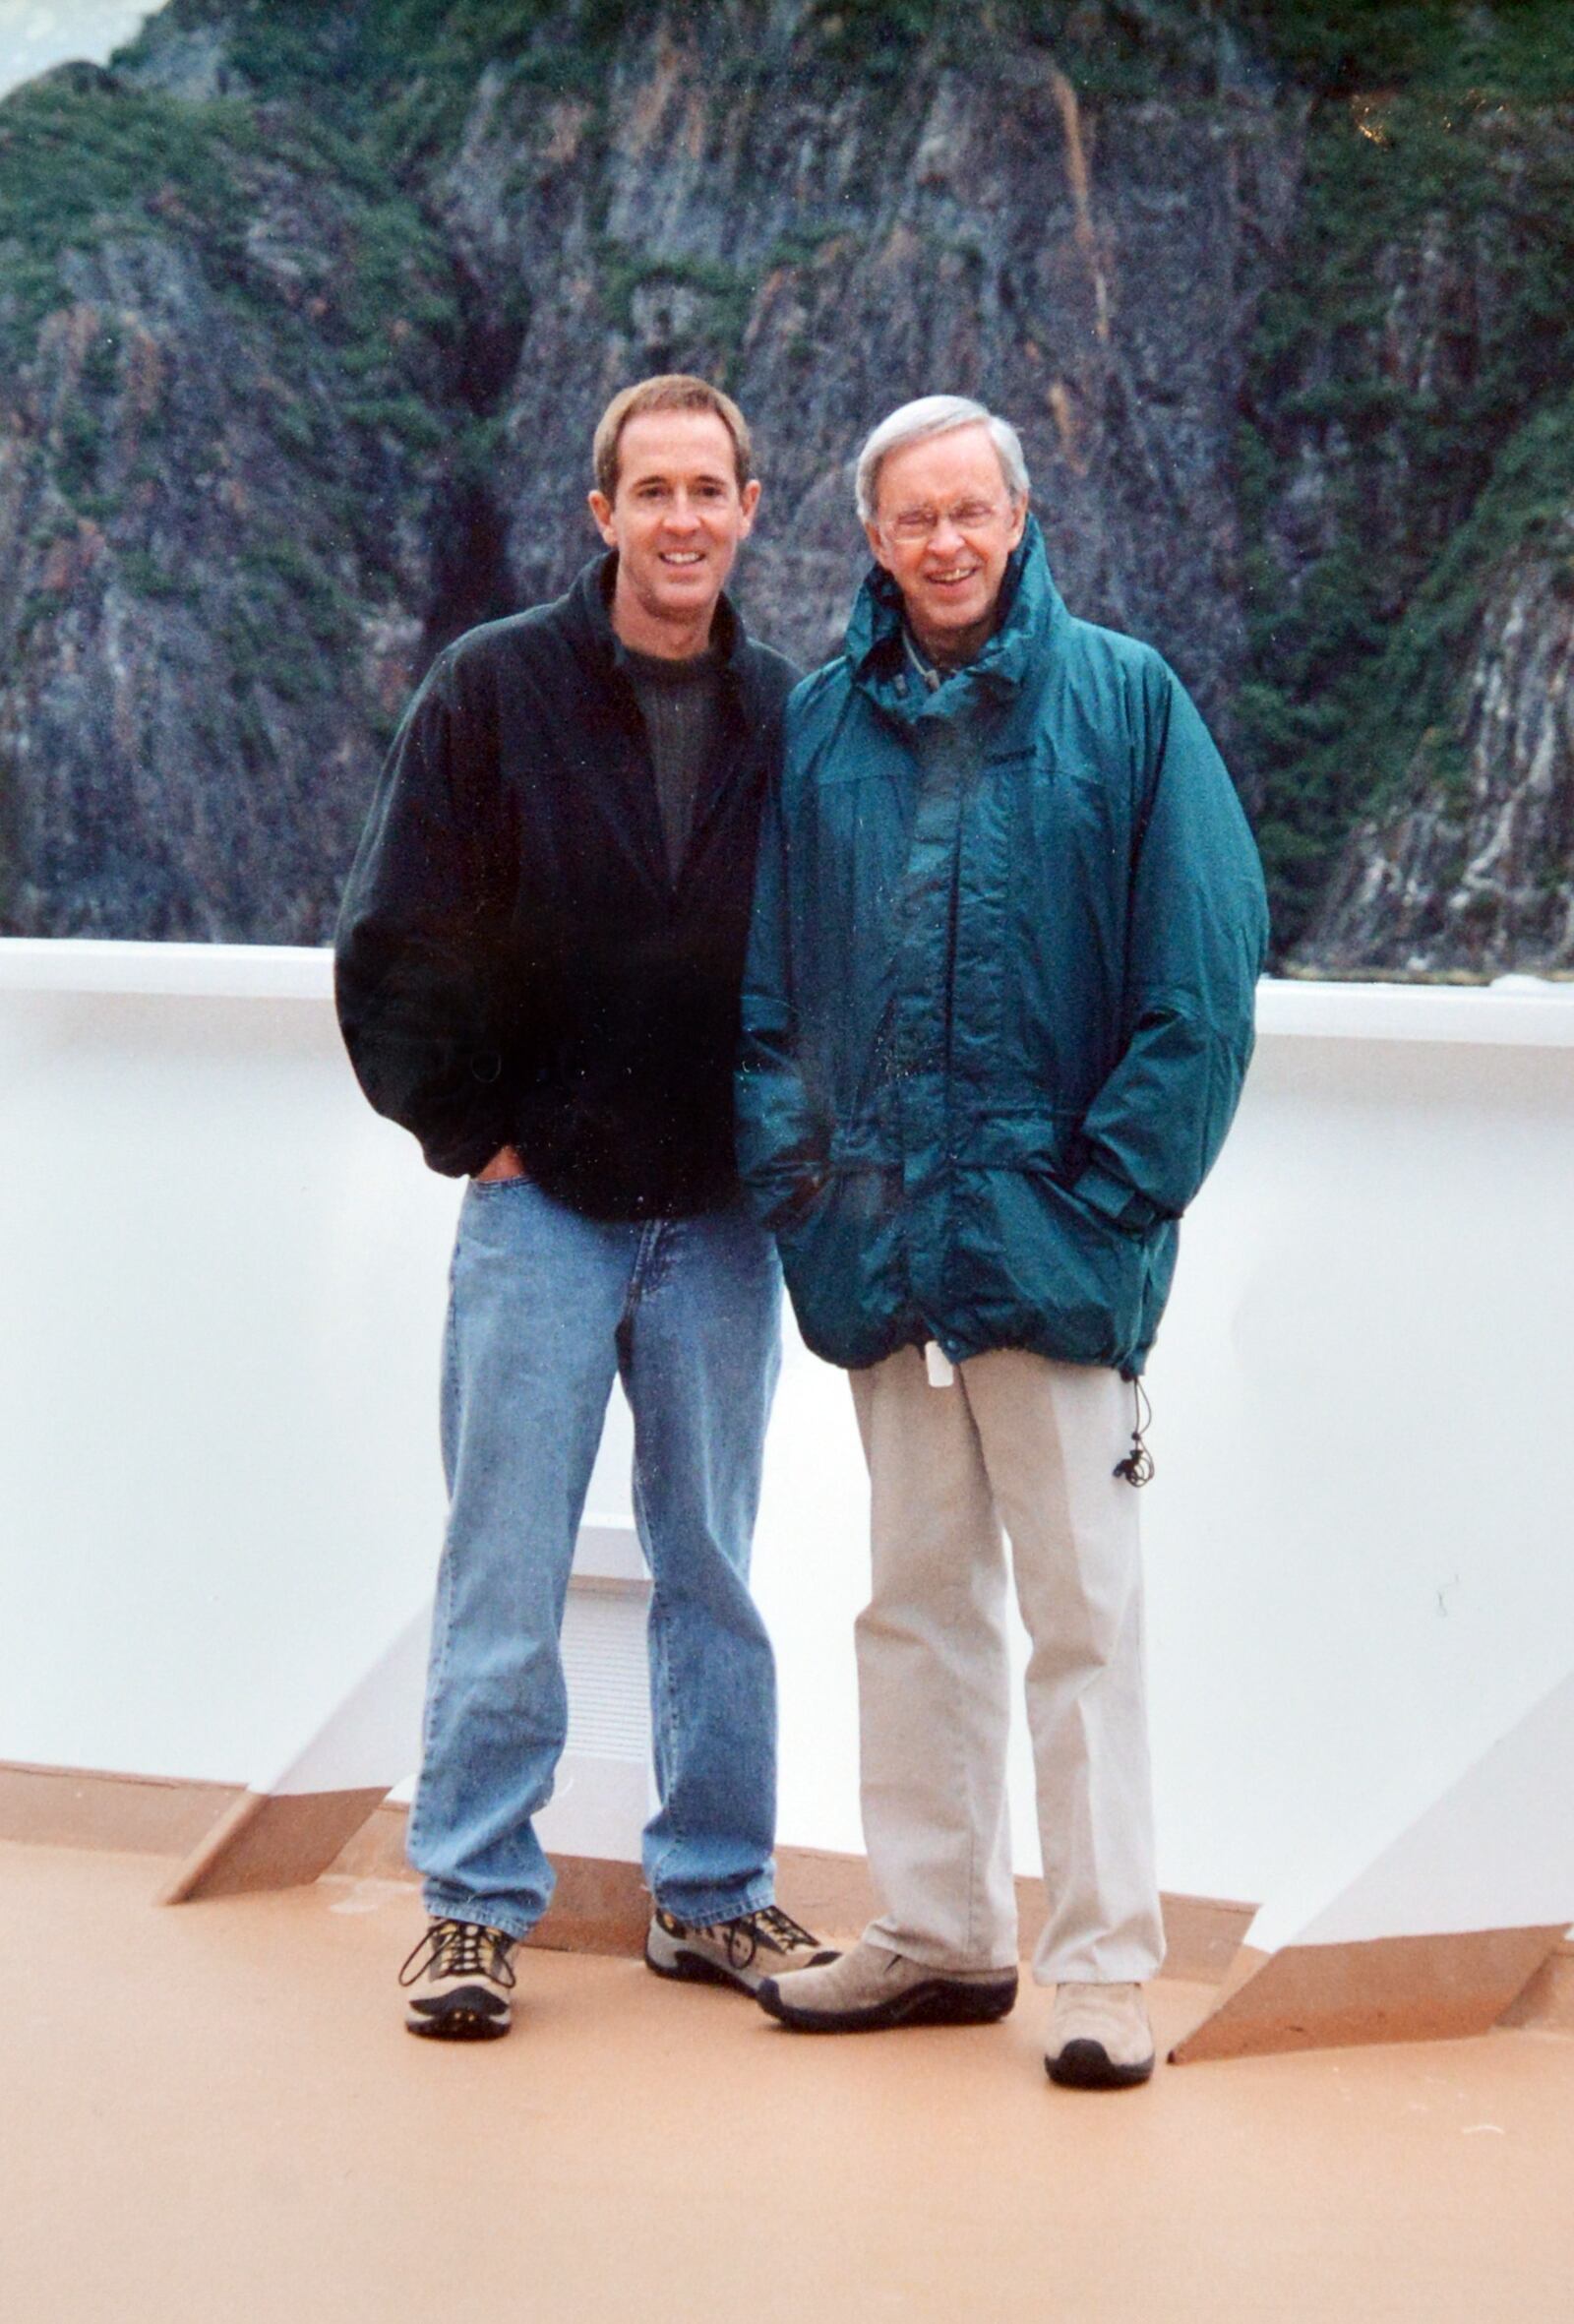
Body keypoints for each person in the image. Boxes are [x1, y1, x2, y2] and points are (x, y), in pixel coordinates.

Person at [736, 395, 1267, 2088]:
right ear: (874, 538)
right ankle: (940, 1930)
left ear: (1020, 520)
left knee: (1085, 1621)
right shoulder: (822, 729)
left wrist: (1109, 1201)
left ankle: (1104, 1969)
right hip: (888, 1258)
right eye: (915, 518)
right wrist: (806, 1197)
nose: (946, 543)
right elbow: (766, 998)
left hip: (1054, 1261)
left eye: (973, 512)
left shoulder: (1126, 702)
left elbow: (1201, 981)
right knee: (915, 1605)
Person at [335, 374, 830, 2041]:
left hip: (722, 1218)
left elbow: (835, 956)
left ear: (752, 509)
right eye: (654, 490)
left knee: (715, 1565)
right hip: (541, 1208)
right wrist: (470, 1132)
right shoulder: (494, 690)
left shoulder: (792, 712)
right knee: (506, 1560)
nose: (685, 518)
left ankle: (710, 1894)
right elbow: (393, 934)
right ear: (602, 512)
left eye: (713, 488)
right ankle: (473, 1904)